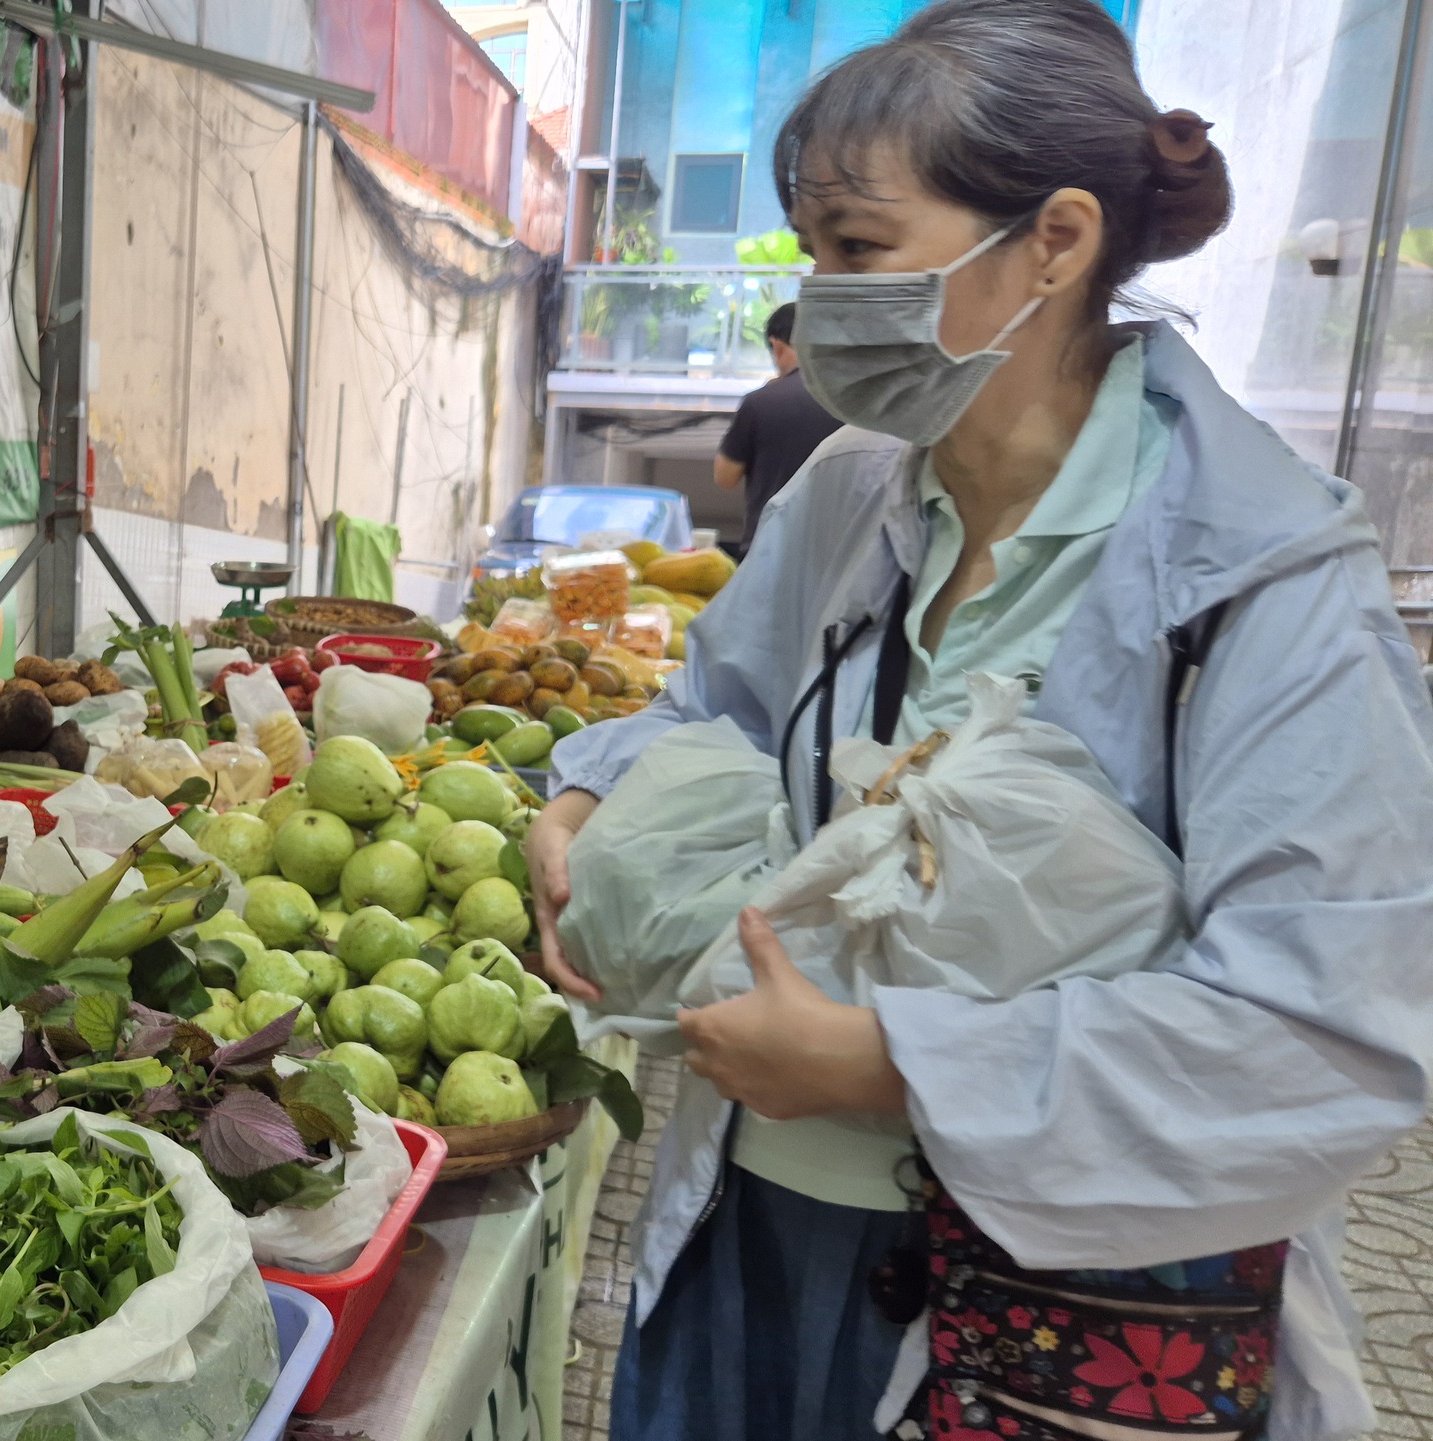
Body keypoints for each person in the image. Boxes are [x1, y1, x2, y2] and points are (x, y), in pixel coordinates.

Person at [518, 2, 1433, 1437]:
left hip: (1057, 1299)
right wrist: (588, 793)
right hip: (761, 1229)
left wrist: (890, 1067)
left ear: (1056, 242)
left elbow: (1329, 1036)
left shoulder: (1266, 582)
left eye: (861, 249)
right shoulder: (850, 499)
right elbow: (724, 706)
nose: (820, 296)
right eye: (812, 252)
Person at [714, 301, 845, 552]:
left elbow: (725, 477)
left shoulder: (761, 402)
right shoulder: (855, 400)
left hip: (768, 549)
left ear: (777, 345)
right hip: (838, 551)